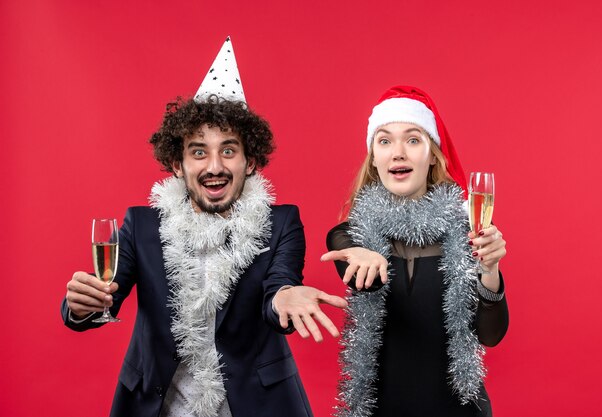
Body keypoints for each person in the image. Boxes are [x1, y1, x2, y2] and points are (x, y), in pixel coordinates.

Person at [61, 37, 347, 417]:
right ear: (178, 165)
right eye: (199, 152)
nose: (214, 166)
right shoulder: (141, 226)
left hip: (255, 405)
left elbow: (277, 287)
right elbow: (104, 295)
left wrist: (282, 299)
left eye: (228, 150)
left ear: (250, 163)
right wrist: (82, 306)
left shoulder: (281, 223)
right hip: (158, 405)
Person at [321, 86, 509, 417]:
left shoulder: (466, 230)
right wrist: (364, 255)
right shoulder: (354, 234)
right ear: (374, 159)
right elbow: (352, 256)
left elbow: (491, 336)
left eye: (412, 139)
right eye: (385, 141)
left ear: (433, 155)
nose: (398, 153)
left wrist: (489, 269)